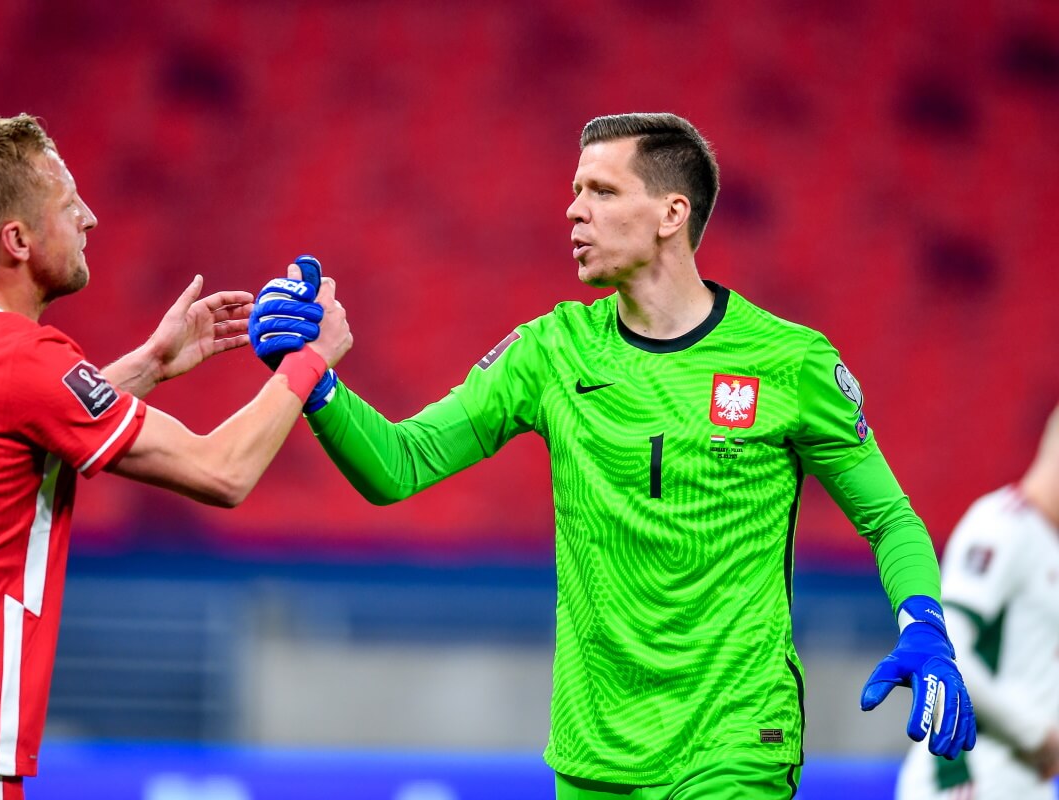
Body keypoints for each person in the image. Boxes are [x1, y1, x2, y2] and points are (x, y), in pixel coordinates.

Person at [250, 112, 976, 798]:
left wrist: (924, 624)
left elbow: (889, 518)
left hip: (735, 739)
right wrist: (312, 381)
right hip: (593, 751)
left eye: (601, 190)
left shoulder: (790, 362)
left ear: (671, 214)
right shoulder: (549, 351)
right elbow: (398, 466)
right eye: (574, 191)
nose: (573, 210)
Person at [0, 114, 350, 800]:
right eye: (68, 205)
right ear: (18, 239)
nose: (89, 217)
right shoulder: (27, 363)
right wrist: (308, 365)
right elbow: (221, 471)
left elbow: (16, 420)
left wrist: (150, 364)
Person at [897, 402, 1059, 800]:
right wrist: (1037, 734)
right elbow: (946, 654)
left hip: (1023, 784)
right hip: (963, 784)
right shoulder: (1002, 526)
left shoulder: (1048, 545)